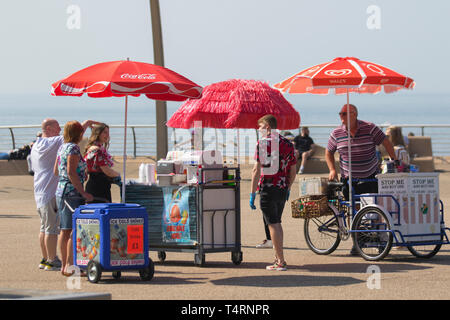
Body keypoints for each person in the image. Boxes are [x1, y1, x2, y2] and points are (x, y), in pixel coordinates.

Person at [325, 104, 397, 255]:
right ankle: (357, 242)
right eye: (340, 114)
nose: (341, 117)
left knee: (376, 210)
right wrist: (332, 169)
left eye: (344, 114)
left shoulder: (370, 128)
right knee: (354, 211)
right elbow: (328, 152)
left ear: (354, 114)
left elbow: (386, 142)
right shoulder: (337, 133)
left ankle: (379, 240)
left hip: (370, 176)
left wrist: (394, 160)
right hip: (349, 178)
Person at [250, 114, 297, 271]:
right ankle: (278, 257)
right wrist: (288, 187)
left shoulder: (263, 143)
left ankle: (281, 261)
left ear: (268, 127)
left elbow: (257, 170)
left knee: (273, 224)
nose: (259, 129)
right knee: (277, 222)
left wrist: (252, 193)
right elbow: (293, 170)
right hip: (282, 188)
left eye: (261, 126)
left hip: (268, 188)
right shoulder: (288, 144)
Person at [54, 120, 96, 276]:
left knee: (64, 230)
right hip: (72, 193)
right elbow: (71, 172)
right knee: (72, 230)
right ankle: (70, 266)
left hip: (61, 191)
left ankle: (65, 265)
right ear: (78, 134)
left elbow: (56, 171)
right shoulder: (73, 149)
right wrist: (83, 191)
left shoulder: (62, 148)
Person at [30, 119, 63, 271]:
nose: (60, 129)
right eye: (57, 127)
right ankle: (52, 259)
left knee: (44, 228)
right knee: (52, 229)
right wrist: (87, 123)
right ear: (49, 128)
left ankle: (45, 258)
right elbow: (71, 136)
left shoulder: (36, 144)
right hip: (49, 192)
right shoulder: (52, 142)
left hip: (39, 191)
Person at [84, 123, 121, 203]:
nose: (107, 135)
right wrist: (118, 175)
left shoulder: (96, 148)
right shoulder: (97, 150)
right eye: (105, 132)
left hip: (98, 186)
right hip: (98, 188)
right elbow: (106, 170)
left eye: (108, 132)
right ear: (98, 133)